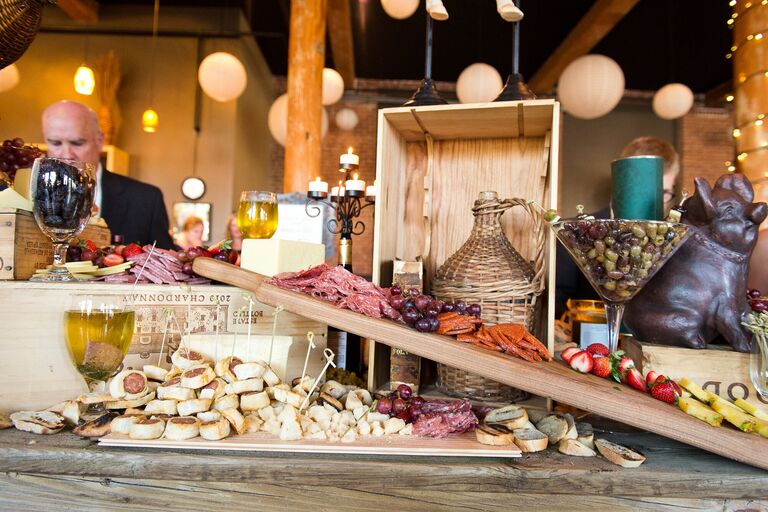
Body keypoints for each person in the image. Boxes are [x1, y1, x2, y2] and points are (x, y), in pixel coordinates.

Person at [555, 136, 681, 318]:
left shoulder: (673, 238)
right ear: (623, 183)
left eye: (664, 192)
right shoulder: (578, 231)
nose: (655, 201)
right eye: (644, 191)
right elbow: (555, 303)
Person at [41, 100, 175, 249]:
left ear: (99, 141)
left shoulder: (146, 200)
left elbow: (166, 264)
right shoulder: (26, 197)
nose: (66, 155)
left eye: (77, 143)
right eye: (55, 143)